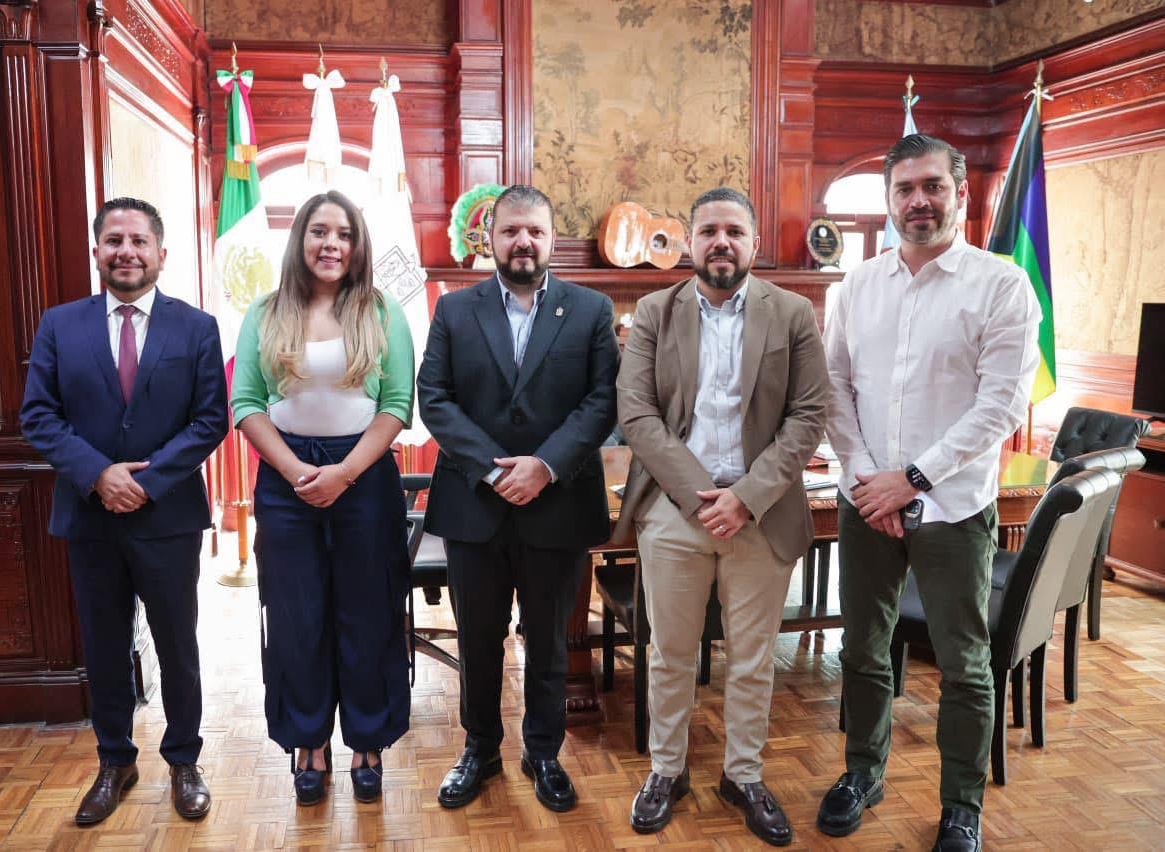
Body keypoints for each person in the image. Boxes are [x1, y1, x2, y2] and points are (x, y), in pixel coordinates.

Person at [818, 134, 1040, 852]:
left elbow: (1001, 405)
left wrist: (910, 480)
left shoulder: (1002, 285)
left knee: (964, 665)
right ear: (889, 199)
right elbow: (834, 390)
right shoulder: (855, 287)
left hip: (952, 508)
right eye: (905, 188)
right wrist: (869, 482)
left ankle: (960, 807)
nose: (919, 200)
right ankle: (862, 773)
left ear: (960, 192)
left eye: (932, 186)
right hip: (866, 505)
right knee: (862, 649)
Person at [614, 187, 828, 844]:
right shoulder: (655, 313)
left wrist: (746, 497)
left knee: (754, 658)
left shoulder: (792, 313)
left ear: (754, 243)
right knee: (670, 654)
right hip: (677, 511)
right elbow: (637, 414)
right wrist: (701, 495)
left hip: (761, 511)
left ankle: (743, 775)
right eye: (708, 230)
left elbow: (809, 415)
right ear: (690, 242)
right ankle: (667, 770)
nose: (721, 242)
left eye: (734, 231)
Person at [20, 197, 227, 826]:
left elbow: (209, 420)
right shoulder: (60, 325)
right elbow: (38, 415)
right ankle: (115, 761)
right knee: (105, 646)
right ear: (97, 252)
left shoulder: (196, 327)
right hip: (90, 517)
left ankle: (184, 761)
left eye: (139, 241)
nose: (126, 252)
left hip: (168, 518)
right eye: (114, 241)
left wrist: (146, 482)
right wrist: (98, 475)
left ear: (161, 253)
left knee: (177, 645)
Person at [418, 184, 618, 813]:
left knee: (550, 643)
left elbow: (602, 401)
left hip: (557, 506)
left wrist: (545, 466)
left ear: (551, 239)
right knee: (478, 641)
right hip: (474, 508)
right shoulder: (456, 310)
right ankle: (479, 749)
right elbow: (434, 398)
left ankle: (544, 752)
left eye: (534, 230)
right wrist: (492, 469)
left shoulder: (590, 310)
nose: (523, 241)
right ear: (491, 239)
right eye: (510, 231)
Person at [231, 190, 414, 806]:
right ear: (300, 240)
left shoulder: (383, 311)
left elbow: (397, 406)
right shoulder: (264, 312)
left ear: (357, 245)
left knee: (369, 612)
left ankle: (367, 743)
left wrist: (344, 474)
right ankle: (308, 743)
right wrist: (294, 471)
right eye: (319, 231)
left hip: (364, 475)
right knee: (296, 615)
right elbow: (246, 403)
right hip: (286, 478)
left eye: (344, 233)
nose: (331, 243)